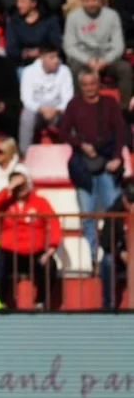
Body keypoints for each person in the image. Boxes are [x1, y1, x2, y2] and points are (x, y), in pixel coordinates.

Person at [60, 68, 129, 258]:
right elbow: (63, 132)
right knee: (87, 214)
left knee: (113, 212)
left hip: (108, 162)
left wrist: (116, 157)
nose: (90, 88)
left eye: (93, 83)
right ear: (80, 86)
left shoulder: (109, 103)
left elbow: (121, 131)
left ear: (98, 84)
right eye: (85, 85)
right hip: (83, 166)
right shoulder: (74, 105)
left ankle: (113, 254)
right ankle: (92, 257)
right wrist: (81, 145)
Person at [0, 170, 62, 309]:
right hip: (9, 252)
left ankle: (40, 302)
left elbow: (54, 223)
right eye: (17, 185)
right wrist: (8, 189)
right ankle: (0, 302)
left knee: (50, 265)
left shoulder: (40, 202)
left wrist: (51, 249)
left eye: (23, 184)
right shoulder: (5, 202)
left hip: (35, 253)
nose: (21, 188)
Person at [64, 0, 133, 109]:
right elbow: (69, 46)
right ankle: (79, 108)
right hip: (83, 58)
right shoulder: (73, 17)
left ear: (100, 0)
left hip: (106, 58)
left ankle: (124, 110)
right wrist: (88, 60)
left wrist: (105, 61)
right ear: (82, 1)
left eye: (94, 0)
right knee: (74, 69)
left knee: (125, 68)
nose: (91, 4)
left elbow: (118, 45)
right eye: (87, 0)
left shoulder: (112, 16)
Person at [18, 47, 73, 152]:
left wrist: (56, 110)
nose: (56, 60)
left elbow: (68, 98)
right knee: (26, 114)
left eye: (57, 57)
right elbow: (26, 99)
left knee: (73, 111)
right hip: (38, 112)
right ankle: (24, 153)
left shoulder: (65, 71)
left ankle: (71, 152)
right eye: (51, 57)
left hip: (57, 112)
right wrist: (42, 109)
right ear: (42, 58)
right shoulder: (29, 71)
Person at [98, 181, 134, 310]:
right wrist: (120, 252)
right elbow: (105, 240)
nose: (132, 205)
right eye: (130, 201)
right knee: (107, 261)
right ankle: (108, 306)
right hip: (119, 259)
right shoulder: (113, 212)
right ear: (124, 198)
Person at [6, 0, 64, 69]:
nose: (18, 5)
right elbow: (12, 48)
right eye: (17, 1)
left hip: (47, 60)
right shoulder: (14, 22)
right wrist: (27, 53)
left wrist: (40, 51)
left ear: (33, 3)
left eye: (23, 2)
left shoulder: (49, 20)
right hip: (23, 64)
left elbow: (55, 42)